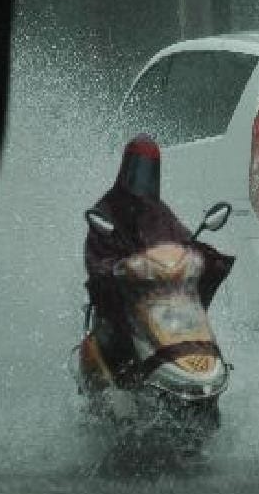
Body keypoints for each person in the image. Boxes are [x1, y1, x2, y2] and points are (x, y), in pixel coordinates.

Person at [84, 133, 233, 374]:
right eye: (137, 167)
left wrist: (201, 254)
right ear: (126, 167)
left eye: (149, 169)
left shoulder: (159, 212)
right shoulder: (107, 210)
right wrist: (120, 268)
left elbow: (181, 238)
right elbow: (98, 258)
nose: (143, 177)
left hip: (165, 301)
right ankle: (125, 382)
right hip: (125, 305)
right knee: (118, 352)